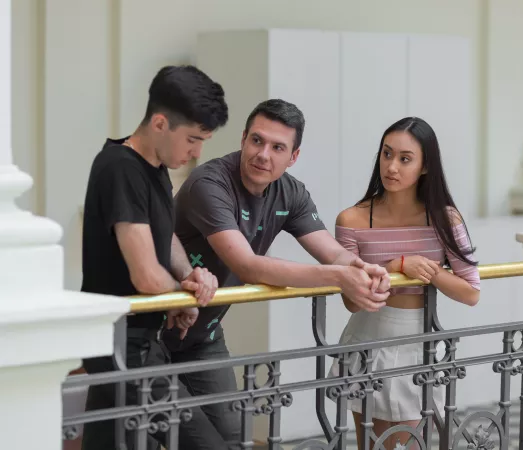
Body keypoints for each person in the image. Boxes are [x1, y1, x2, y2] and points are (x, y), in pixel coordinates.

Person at [166, 98, 393, 447]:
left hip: (203, 336)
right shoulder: (209, 183)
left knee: (234, 438)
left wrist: (360, 266)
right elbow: (248, 264)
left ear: (293, 157)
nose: (263, 154)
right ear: (243, 139)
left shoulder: (291, 192)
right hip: (152, 332)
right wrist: (337, 277)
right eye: (257, 140)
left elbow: (331, 252)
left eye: (277, 147)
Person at [80, 65, 228, 450]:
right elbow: (146, 275)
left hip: (137, 341)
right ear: (160, 123)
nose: (197, 152)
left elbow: (164, 237)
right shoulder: (120, 168)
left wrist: (188, 274)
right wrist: (183, 292)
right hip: (123, 348)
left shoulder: (156, 166)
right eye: (193, 139)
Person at [329, 117, 481, 450]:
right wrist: (396, 266)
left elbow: (471, 292)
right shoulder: (351, 220)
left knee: (414, 444)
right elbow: (352, 301)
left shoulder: (444, 218)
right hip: (368, 339)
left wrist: (429, 271)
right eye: (386, 154)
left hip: (419, 342)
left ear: (426, 167)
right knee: (372, 446)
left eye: (405, 158)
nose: (392, 166)